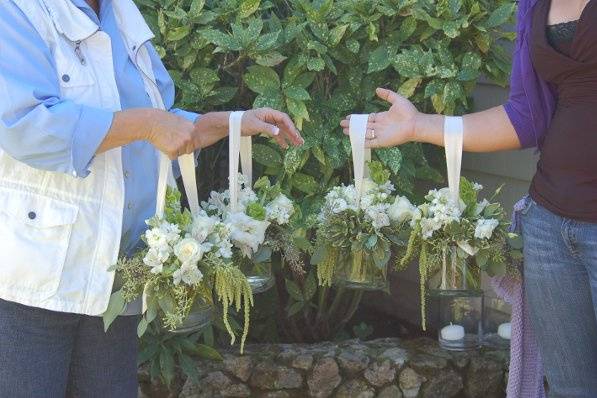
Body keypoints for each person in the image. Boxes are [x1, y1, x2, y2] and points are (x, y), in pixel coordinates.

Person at [0, 0, 302, 397]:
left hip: (119, 274)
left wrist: (226, 123)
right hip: (35, 280)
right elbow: (24, 125)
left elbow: (160, 121)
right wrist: (147, 123)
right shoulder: (16, 12)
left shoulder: (121, 13)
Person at [342, 0, 597, 396]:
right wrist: (419, 126)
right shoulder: (534, 5)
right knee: (571, 388)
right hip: (550, 226)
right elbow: (527, 115)